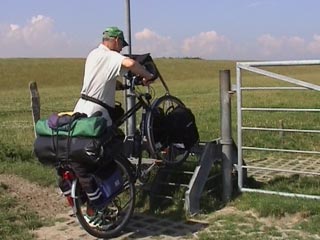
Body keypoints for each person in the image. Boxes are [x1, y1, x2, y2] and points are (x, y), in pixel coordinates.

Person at [60, 26, 155, 214]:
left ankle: (87, 197)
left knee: (88, 153)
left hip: (80, 110)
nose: (121, 49)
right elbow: (129, 64)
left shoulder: (93, 55)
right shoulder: (111, 55)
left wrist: (120, 86)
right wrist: (147, 75)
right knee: (112, 149)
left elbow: (102, 79)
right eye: (121, 45)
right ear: (116, 41)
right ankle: (107, 193)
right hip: (98, 114)